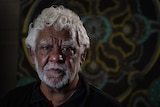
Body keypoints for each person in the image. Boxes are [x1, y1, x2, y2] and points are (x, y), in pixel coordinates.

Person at [0, 5, 121, 107]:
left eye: (67, 49)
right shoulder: (12, 101)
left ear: (82, 56)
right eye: (46, 48)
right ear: (32, 55)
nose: (56, 57)